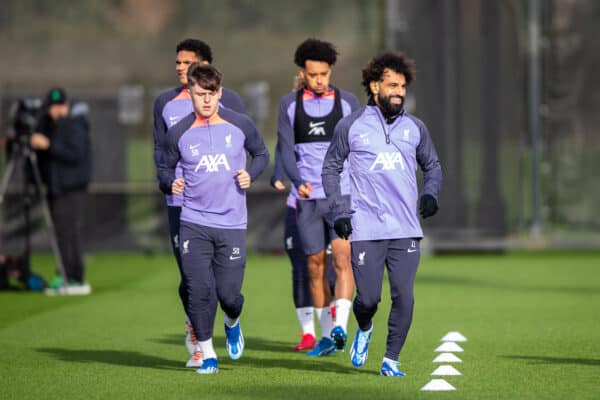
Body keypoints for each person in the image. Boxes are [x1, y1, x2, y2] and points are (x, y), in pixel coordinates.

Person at [322, 51, 442, 376]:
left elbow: (432, 165)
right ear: (375, 86)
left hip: (405, 228)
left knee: (404, 297)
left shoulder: (415, 128)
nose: (399, 91)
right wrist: (339, 211)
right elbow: (331, 168)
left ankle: (391, 359)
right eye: (392, 85)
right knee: (368, 300)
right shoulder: (351, 126)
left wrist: (430, 193)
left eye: (402, 86)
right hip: (366, 228)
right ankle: (364, 327)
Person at [158, 63, 269, 375]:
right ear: (190, 93)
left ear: (220, 93)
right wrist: (171, 182)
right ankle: (207, 354)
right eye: (199, 94)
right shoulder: (178, 132)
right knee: (198, 289)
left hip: (232, 224)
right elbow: (164, 169)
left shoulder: (240, 124)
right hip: (193, 222)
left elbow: (262, 154)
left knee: (229, 296)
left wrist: (251, 174)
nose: (205, 100)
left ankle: (232, 322)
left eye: (211, 94)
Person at [152, 38, 246, 367]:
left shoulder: (229, 100)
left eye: (186, 62)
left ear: (204, 66)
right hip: (182, 205)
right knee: (191, 278)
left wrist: (243, 177)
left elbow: (243, 146)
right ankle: (198, 339)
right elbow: (159, 153)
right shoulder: (164, 102)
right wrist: (167, 184)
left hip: (225, 207)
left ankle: (229, 320)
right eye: (177, 62)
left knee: (225, 289)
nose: (180, 67)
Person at [276, 38, 360, 356]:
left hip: (340, 197)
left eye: (325, 73)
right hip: (308, 199)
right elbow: (285, 149)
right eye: (314, 75)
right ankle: (326, 336)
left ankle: (340, 327)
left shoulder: (349, 102)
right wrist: (297, 182)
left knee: (341, 259)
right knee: (313, 265)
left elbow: (359, 146)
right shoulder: (290, 105)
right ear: (303, 73)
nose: (320, 80)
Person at [30, 88, 92, 296]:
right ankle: (68, 275)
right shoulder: (49, 125)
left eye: (60, 105)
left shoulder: (75, 124)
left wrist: (48, 144)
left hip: (71, 187)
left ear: (66, 105)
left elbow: (75, 154)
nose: (57, 110)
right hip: (56, 186)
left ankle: (72, 276)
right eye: (53, 106)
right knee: (62, 233)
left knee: (68, 233)